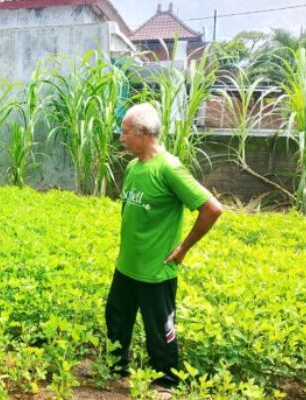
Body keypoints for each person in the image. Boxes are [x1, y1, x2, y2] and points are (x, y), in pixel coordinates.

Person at [105, 103, 223, 398]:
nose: (121, 138)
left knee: (160, 328)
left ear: (143, 133)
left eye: (125, 132)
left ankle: (166, 382)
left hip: (157, 271)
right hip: (127, 265)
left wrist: (184, 247)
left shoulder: (169, 168)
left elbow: (212, 208)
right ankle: (117, 369)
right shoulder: (133, 167)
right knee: (116, 318)